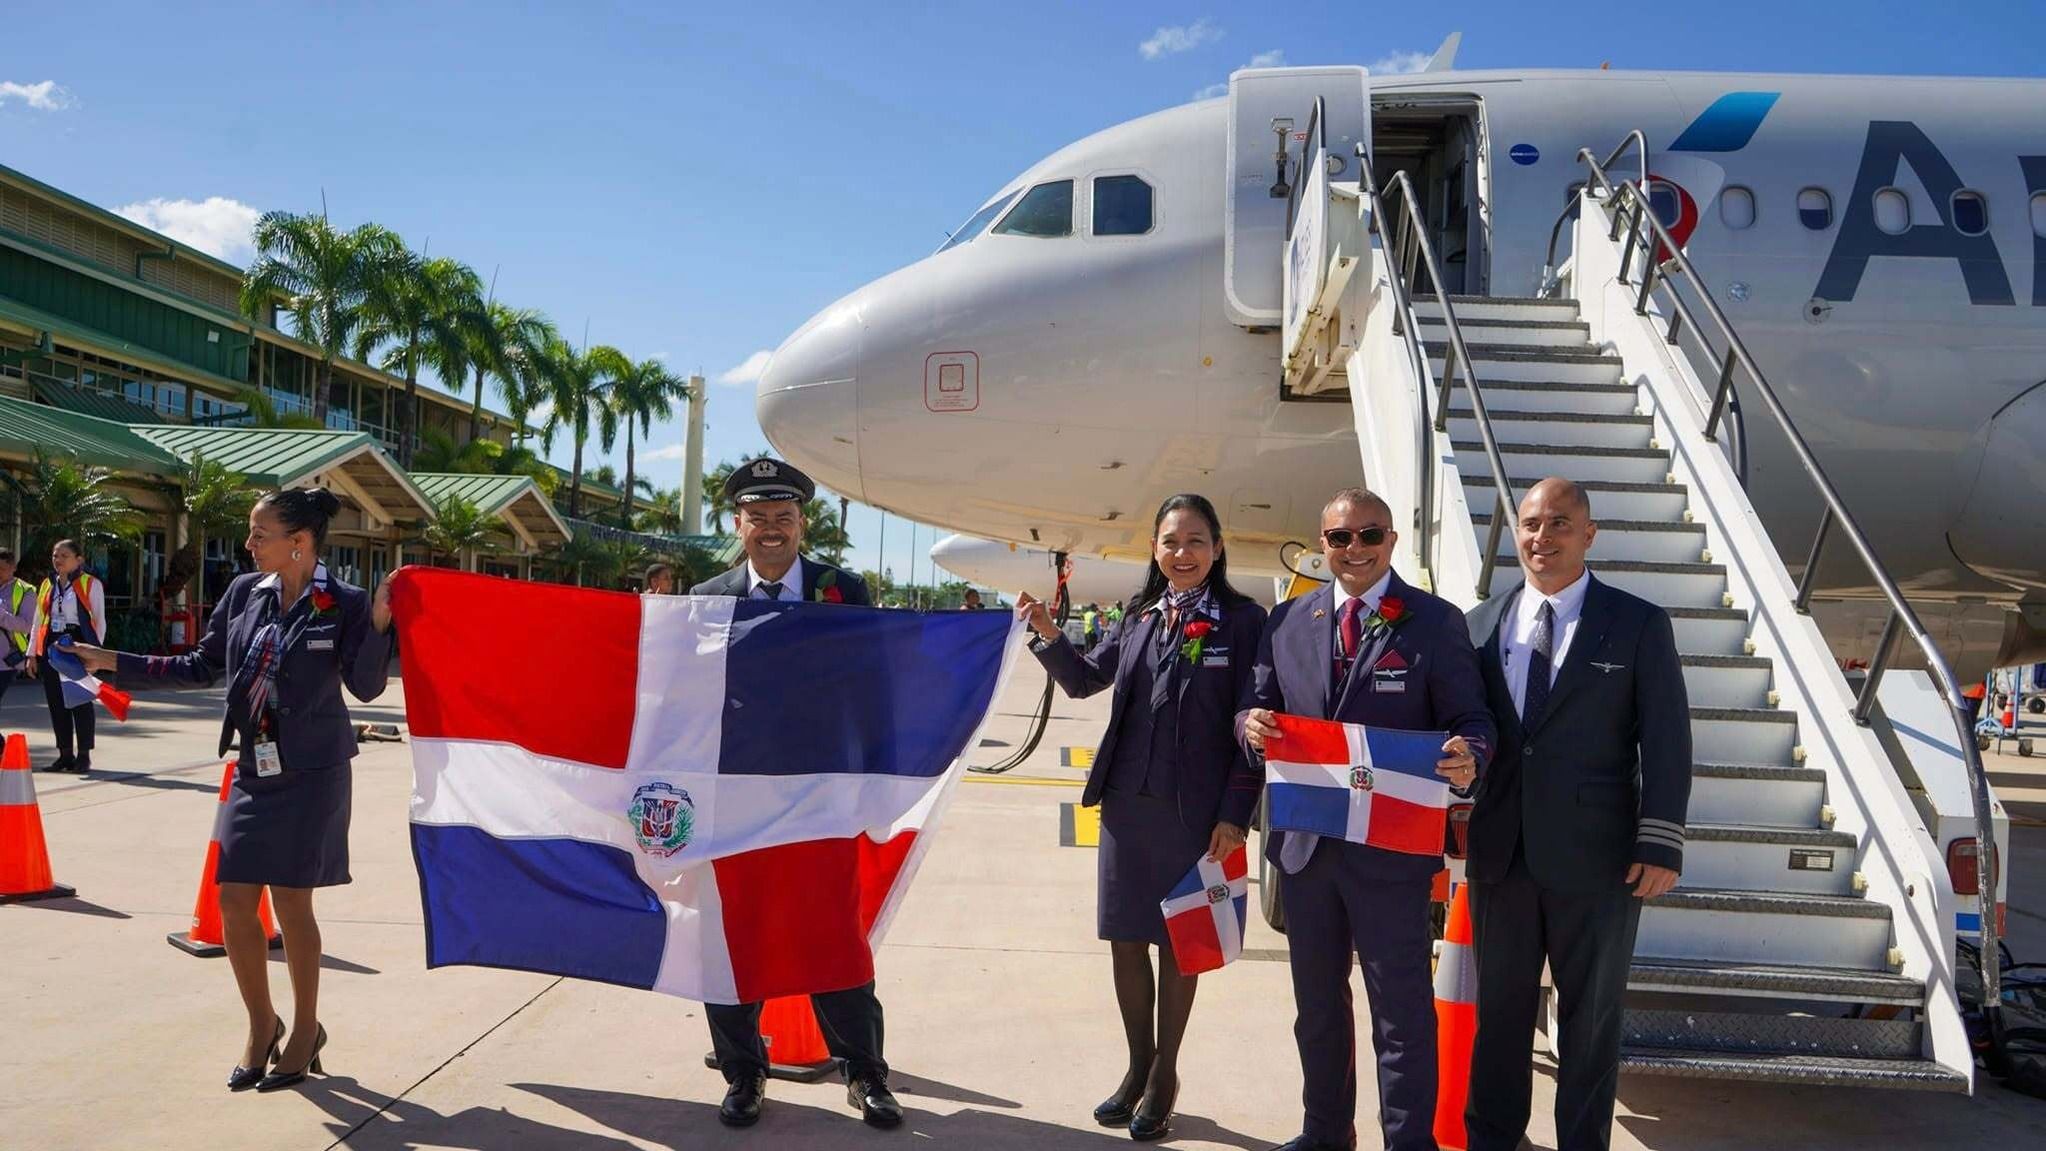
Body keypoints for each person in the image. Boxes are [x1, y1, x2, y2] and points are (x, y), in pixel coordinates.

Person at [71, 488, 393, 1094]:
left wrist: (378, 624)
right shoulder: (247, 594)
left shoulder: (342, 602)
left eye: (258, 534)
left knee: (295, 908)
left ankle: (303, 1031)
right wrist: (107, 658)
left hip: (312, 776)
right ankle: (259, 1025)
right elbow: (199, 664)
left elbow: (369, 687)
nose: (247, 545)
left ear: (298, 542)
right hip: (254, 768)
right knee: (233, 902)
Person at [1239, 487, 1494, 1151]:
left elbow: (1473, 718)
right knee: (1318, 1010)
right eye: (1339, 537)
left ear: (1391, 542)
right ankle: (1325, 1131)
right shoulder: (1288, 620)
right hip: (1308, 848)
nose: (1354, 549)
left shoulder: (1435, 623)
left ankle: (1410, 1142)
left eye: (1368, 535)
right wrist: (1252, 724)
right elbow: (1253, 706)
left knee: (1401, 1013)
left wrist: (1473, 754)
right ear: (1321, 544)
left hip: (1391, 851)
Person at [1016, 494, 1269, 1143]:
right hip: (1129, 806)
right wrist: (1048, 633)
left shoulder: (1243, 622)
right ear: (1154, 549)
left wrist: (1236, 814)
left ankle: (1166, 1076)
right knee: (1126, 939)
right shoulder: (1138, 614)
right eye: (1169, 541)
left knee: (1179, 943)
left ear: (1216, 548)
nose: (1181, 554)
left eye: (1194, 541)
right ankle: (1137, 1066)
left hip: (1195, 814)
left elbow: (1252, 724)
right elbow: (1082, 680)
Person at [1461, 478, 1691, 1151]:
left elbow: (1668, 739)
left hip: (1601, 858)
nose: (1542, 537)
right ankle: (1491, 1140)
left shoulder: (1638, 623)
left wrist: (1662, 841)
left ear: (1589, 533)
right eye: (1530, 523)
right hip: (1501, 854)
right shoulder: (1480, 623)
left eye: (1559, 523)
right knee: (1498, 1016)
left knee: (1590, 1022)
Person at [687, 456, 897, 1130]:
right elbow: (685, 701)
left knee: (833, 935)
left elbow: (874, 691)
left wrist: (876, 781)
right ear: (737, 523)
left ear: (803, 522)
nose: (772, 529)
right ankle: (744, 1072)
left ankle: (864, 1073)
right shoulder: (707, 595)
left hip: (821, 795)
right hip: (734, 798)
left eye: (784, 517)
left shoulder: (847, 590)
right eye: (759, 518)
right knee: (732, 939)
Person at [26, 540, 107, 775]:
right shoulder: (47, 584)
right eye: (55, 555)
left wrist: (95, 655)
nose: (58, 559)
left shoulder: (90, 584)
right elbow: (38, 620)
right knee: (56, 702)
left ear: (78, 560)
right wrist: (32, 653)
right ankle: (64, 754)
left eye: (64, 555)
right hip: (53, 643)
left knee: (80, 700)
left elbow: (99, 622)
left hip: (77, 642)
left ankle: (83, 756)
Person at [0, 549, 34, 707]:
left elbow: (28, 626)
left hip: (6, 659)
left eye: (2, 569)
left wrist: (2, 616)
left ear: (13, 567)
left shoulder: (25, 591)